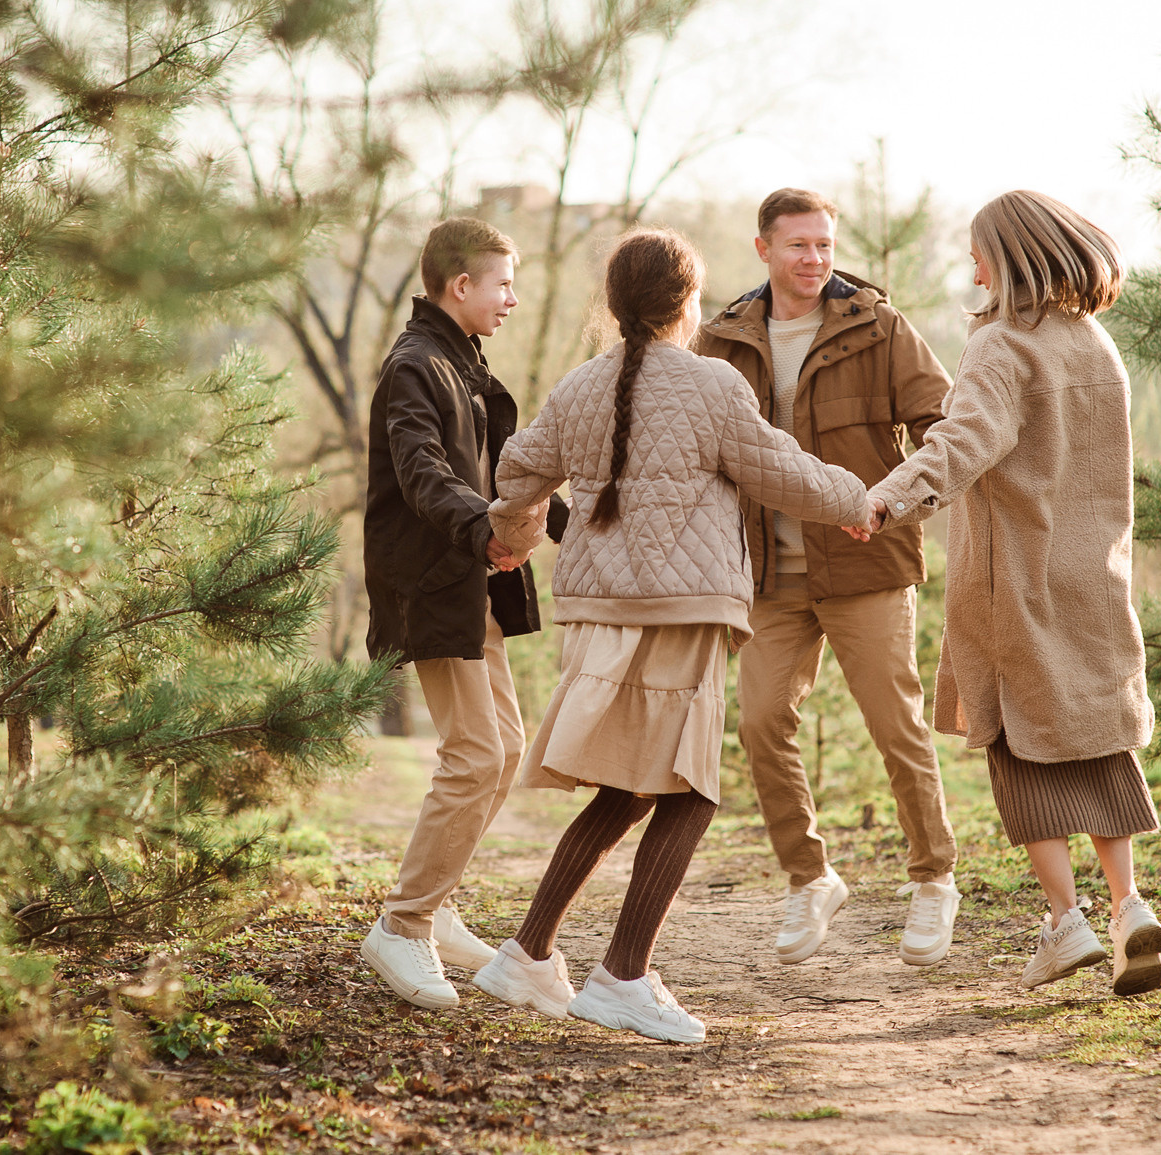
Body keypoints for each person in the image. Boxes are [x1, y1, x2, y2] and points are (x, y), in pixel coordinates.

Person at [475, 228, 878, 1042]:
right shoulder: (713, 384)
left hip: (598, 612)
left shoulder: (579, 386)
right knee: (690, 789)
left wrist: (514, 537)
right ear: (687, 304)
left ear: (615, 306)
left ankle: (525, 954)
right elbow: (783, 471)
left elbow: (515, 472)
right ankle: (623, 975)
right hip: (680, 609)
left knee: (628, 789)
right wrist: (858, 500)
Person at [867, 190, 1161, 997]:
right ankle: (1129, 906)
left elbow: (963, 442)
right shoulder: (1094, 343)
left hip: (1014, 583)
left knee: (1017, 746)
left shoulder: (1003, 345)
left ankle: (1065, 921)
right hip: (1094, 578)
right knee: (1100, 739)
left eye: (978, 252)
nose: (971, 267)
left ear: (1009, 256)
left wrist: (891, 495)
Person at [692, 188, 962, 967]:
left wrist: (893, 498)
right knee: (760, 721)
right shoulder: (724, 339)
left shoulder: (878, 327)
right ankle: (808, 878)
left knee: (895, 726)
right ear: (764, 249)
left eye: (824, 244)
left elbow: (940, 424)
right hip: (768, 575)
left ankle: (935, 878)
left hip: (866, 563)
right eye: (799, 245)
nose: (815, 259)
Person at [359, 217, 566, 1010]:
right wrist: (482, 526)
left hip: (471, 582)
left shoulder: (461, 364)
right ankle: (403, 925)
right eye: (503, 283)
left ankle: (434, 903)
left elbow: (509, 480)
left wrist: (572, 527)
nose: (513, 298)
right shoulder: (416, 368)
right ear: (460, 286)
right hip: (432, 584)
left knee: (504, 747)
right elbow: (421, 472)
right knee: (476, 753)